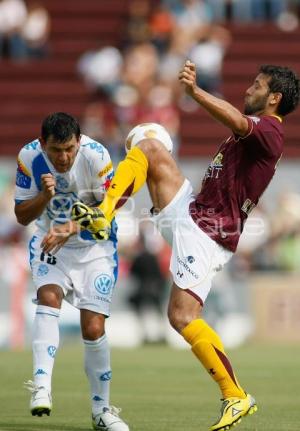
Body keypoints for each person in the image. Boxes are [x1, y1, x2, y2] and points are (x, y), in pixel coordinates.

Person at [71, 63, 300, 431]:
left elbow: (238, 122)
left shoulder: (271, 130)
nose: (249, 89)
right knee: (148, 142)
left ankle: (236, 396)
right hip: (193, 212)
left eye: (257, 85)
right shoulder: (256, 132)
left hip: (209, 233)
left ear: (274, 98)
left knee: (181, 317)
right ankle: (103, 212)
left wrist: (195, 94)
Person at [14, 112, 129, 431]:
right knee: (47, 296)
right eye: (56, 150)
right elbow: (22, 216)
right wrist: (45, 196)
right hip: (51, 243)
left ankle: (101, 411)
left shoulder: (96, 155)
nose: (63, 158)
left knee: (93, 328)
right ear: (42, 144)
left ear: (79, 142)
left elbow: (111, 206)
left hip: (95, 247)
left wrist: (72, 227)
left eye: (69, 149)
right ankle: (41, 386)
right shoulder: (29, 157)